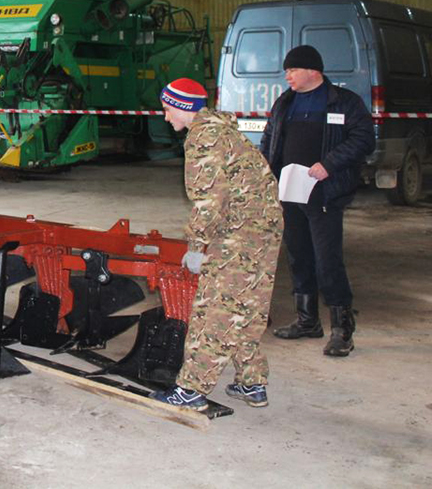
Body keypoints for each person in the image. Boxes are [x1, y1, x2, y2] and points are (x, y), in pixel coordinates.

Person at [150, 78, 283, 411]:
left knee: (216, 308)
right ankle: (252, 382)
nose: (167, 118)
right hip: (265, 226)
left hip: (240, 230)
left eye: (168, 110)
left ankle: (192, 390)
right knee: (249, 305)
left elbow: (210, 200)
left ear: (182, 108)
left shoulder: (204, 137)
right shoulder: (225, 130)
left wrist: (196, 246)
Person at [260, 45, 374, 357]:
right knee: (298, 256)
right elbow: (270, 139)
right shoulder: (285, 102)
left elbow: (364, 138)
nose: (288, 76)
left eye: (292, 70)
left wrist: (330, 164)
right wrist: (265, 172)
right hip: (290, 194)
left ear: (313, 71)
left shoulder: (343, 102)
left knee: (328, 260)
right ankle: (307, 320)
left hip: (324, 195)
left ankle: (342, 329)